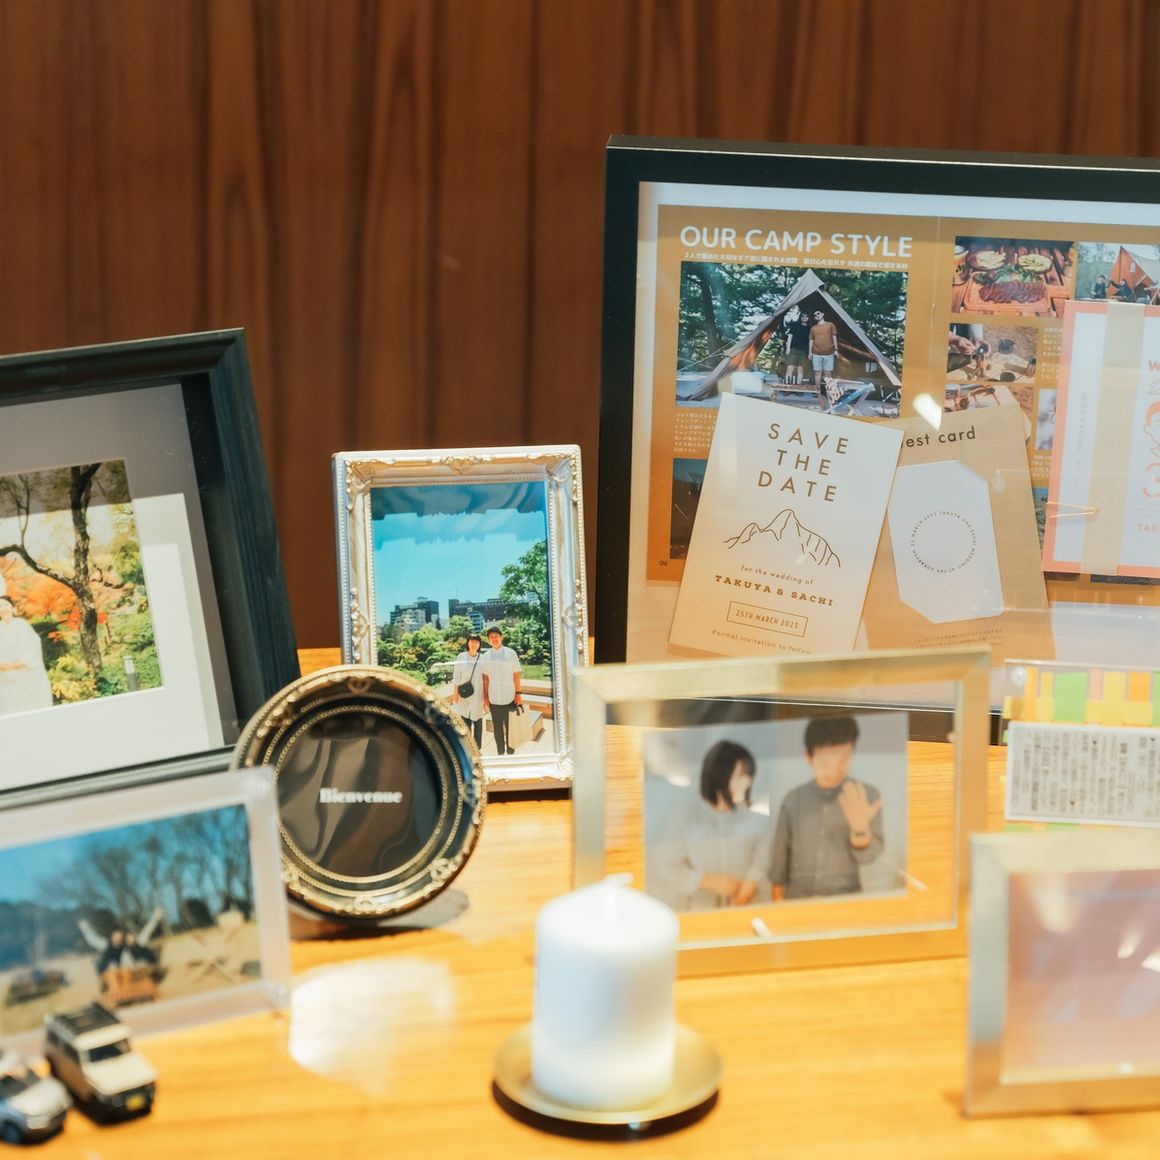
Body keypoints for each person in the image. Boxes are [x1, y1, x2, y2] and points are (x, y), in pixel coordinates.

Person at [769, 716, 883, 900]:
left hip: (845, 900)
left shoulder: (866, 796)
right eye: (824, 763)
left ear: (853, 753)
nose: (834, 772)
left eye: (843, 761)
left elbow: (870, 859)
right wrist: (777, 899)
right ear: (808, 757)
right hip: (796, 899)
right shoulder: (793, 798)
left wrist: (860, 830)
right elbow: (779, 854)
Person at [649, 740, 770, 912]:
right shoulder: (686, 819)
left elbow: (762, 859)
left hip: (745, 910)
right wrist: (705, 881)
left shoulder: (756, 819)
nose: (747, 782)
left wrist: (751, 882)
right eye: (740, 775)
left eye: (749, 775)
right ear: (719, 776)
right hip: (701, 912)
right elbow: (665, 863)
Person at [0, 596, 53, 717]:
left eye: (6, 605)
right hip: (5, 678)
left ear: (12, 607)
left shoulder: (22, 625)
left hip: (25, 672)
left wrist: (20, 664)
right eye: (0, 606)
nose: (3, 608)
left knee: (31, 708)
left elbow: (33, 647)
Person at [481, 625, 522, 756]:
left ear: (501, 637)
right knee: (497, 729)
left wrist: (518, 694)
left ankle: (511, 752)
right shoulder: (486, 656)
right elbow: (485, 679)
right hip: (494, 699)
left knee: (511, 728)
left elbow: (516, 675)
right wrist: (485, 697)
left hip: (510, 698)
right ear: (488, 640)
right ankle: (500, 752)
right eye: (491, 637)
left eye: (496, 636)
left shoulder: (511, 653)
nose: (494, 639)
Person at [450, 632, 486, 747]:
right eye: (472, 641)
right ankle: (468, 748)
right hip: (464, 695)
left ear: (479, 644)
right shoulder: (461, 656)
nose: (474, 644)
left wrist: (486, 698)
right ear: (468, 643)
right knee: (465, 724)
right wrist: (455, 694)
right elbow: (456, 676)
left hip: (478, 696)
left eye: (476, 642)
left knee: (478, 724)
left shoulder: (482, 658)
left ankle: (477, 748)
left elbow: (486, 678)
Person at [808, 309, 840, 407]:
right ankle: (818, 392)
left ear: (822, 314)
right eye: (815, 315)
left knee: (828, 373)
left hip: (829, 353)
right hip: (816, 353)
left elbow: (834, 337)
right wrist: (810, 352)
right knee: (817, 373)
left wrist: (836, 349)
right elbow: (811, 340)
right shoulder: (813, 328)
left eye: (818, 313)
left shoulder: (830, 325)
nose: (816, 315)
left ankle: (829, 392)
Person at [783, 307, 812, 386]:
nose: (804, 317)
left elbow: (811, 340)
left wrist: (810, 352)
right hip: (793, 350)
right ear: (800, 317)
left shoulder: (810, 328)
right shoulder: (795, 325)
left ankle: (798, 387)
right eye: (802, 316)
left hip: (804, 351)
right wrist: (788, 348)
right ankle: (787, 386)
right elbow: (790, 336)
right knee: (790, 368)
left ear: (808, 318)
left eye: (806, 316)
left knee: (800, 369)